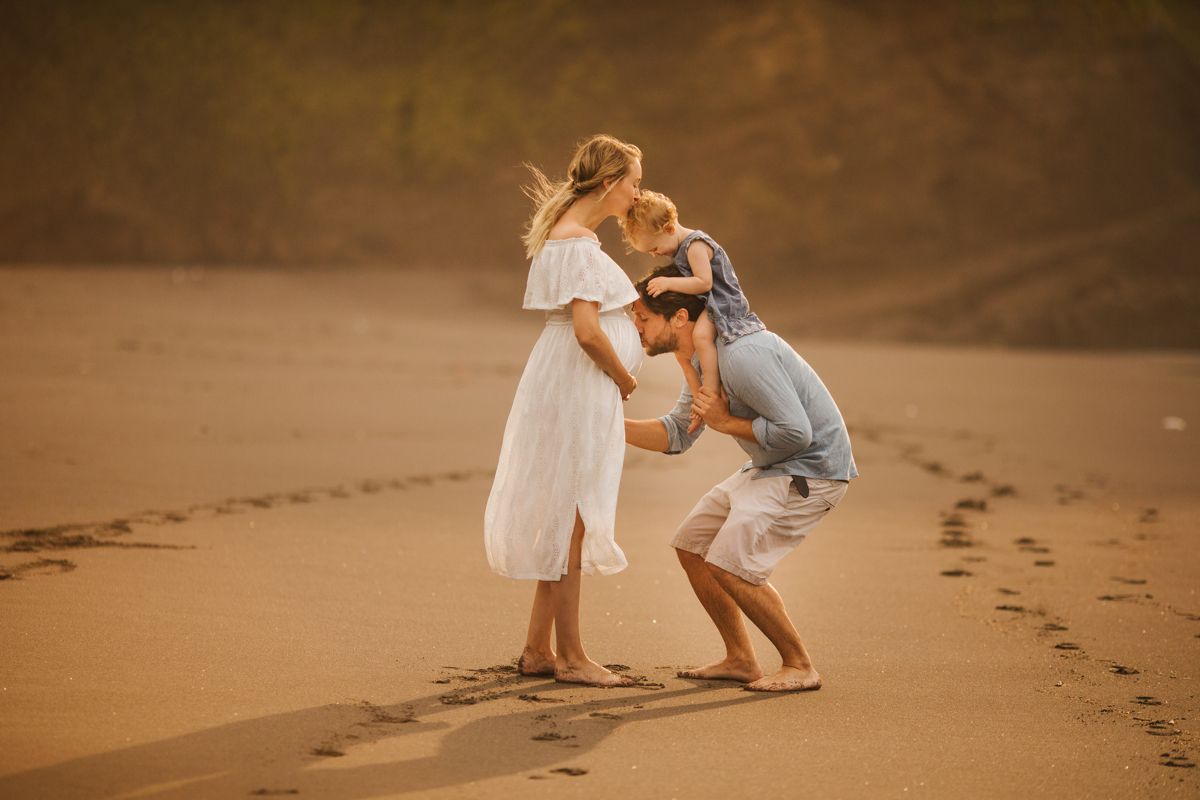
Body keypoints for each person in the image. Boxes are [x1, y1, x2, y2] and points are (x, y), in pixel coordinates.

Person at [624, 264, 857, 692]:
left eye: (642, 318)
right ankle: (741, 658)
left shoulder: (740, 355)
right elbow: (678, 433)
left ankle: (799, 665)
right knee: (693, 545)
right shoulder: (702, 357)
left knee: (730, 563)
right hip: (771, 467)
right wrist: (608, 425)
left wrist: (726, 422)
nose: (635, 327)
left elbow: (797, 433)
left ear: (678, 317)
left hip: (812, 470)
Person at [484, 135, 645, 688]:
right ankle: (572, 656)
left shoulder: (570, 239)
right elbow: (586, 331)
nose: (637, 192)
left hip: (563, 380)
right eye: (633, 182)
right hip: (580, 382)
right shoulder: (579, 245)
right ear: (608, 184)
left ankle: (536, 648)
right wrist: (624, 377)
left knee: (562, 513)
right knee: (574, 516)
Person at [619, 191, 764, 434]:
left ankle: (711, 391)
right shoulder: (677, 248)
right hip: (709, 303)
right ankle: (701, 405)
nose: (654, 254)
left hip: (723, 303)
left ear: (668, 228)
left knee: (700, 338)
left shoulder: (695, 245)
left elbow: (704, 283)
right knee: (681, 356)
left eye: (654, 248)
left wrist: (667, 283)